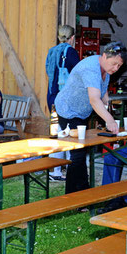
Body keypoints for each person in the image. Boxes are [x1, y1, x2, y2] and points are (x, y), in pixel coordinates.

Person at [54, 41, 127, 194]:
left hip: (82, 112)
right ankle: (72, 196)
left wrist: (109, 108)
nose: (115, 69)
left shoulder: (105, 69)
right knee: (77, 153)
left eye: (119, 66)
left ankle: (83, 192)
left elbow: (103, 93)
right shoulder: (91, 68)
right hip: (68, 109)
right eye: (114, 64)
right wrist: (109, 120)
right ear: (105, 56)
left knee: (83, 150)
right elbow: (94, 99)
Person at [45, 25, 80, 182]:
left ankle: (55, 169)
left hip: (51, 94)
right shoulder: (71, 52)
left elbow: (48, 71)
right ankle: (60, 168)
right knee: (67, 132)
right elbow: (78, 73)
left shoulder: (52, 51)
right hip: (65, 97)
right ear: (72, 38)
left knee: (57, 131)